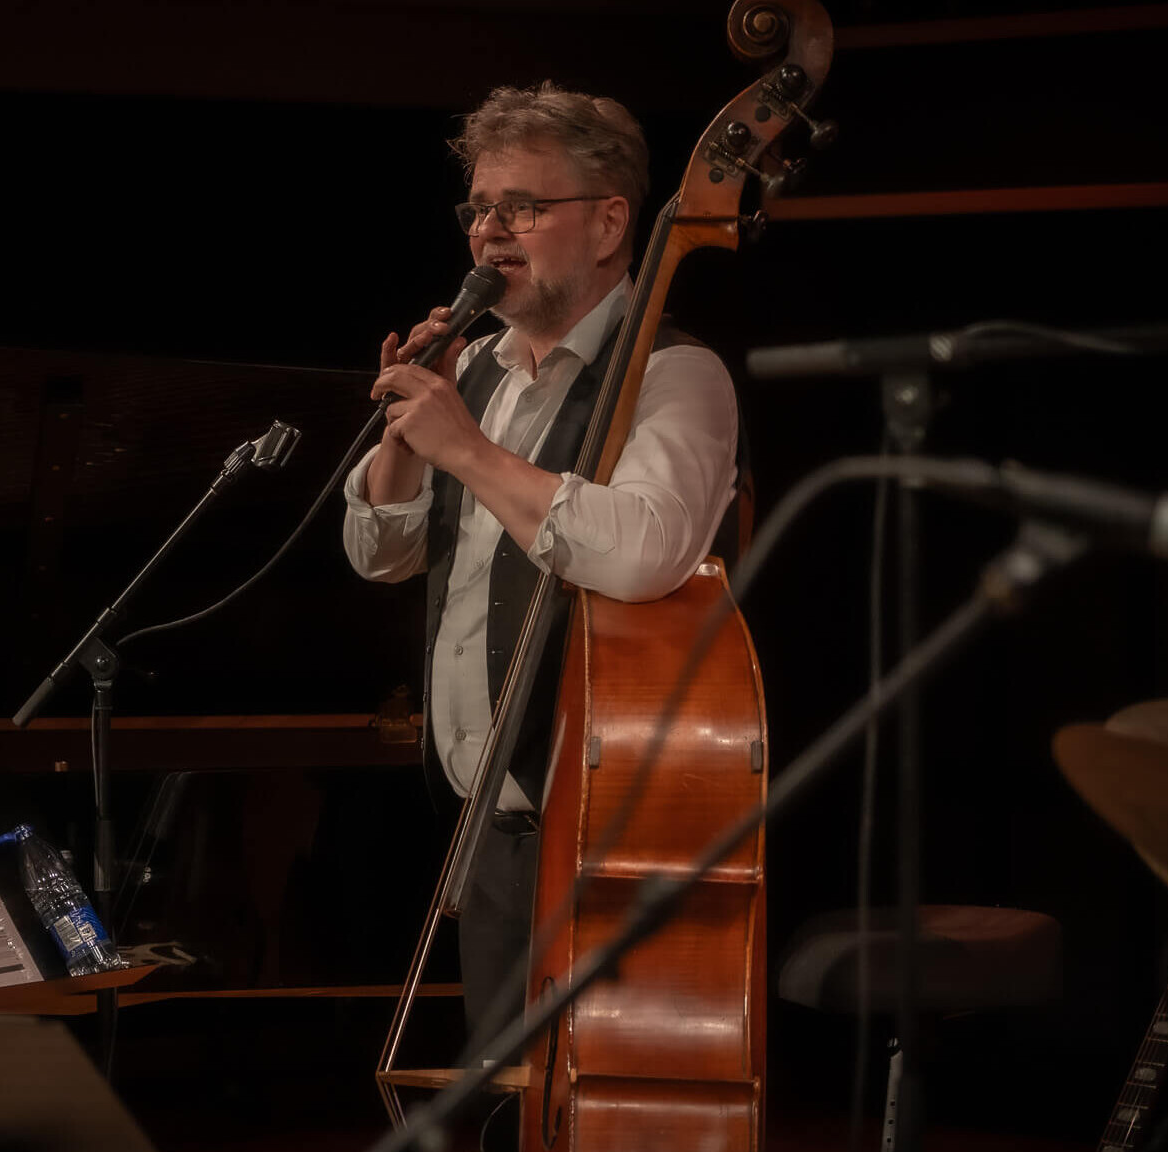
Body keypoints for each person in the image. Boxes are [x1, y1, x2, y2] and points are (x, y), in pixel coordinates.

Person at [340, 81, 741, 1046]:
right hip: (488, 831)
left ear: (609, 224)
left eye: (522, 207)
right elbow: (380, 554)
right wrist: (409, 431)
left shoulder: (675, 373)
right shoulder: (473, 370)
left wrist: (470, 451)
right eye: (479, 208)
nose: (490, 232)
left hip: (604, 827)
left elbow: (645, 550)